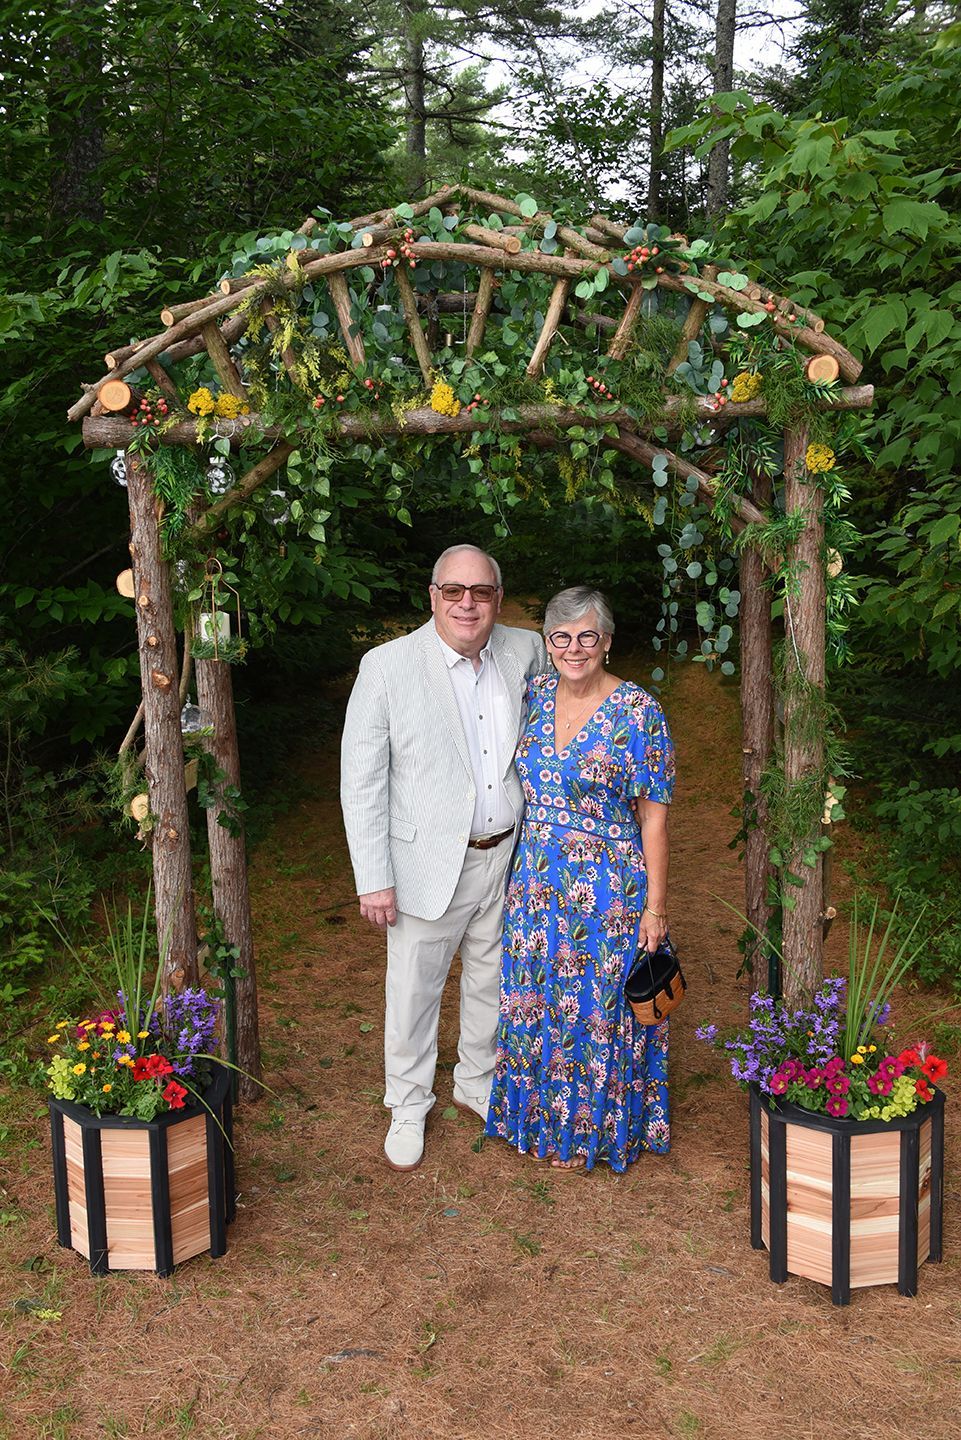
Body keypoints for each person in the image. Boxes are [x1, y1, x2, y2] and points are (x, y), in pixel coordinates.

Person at [340, 545, 547, 1171]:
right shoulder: (385, 667)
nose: (467, 603)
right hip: (426, 863)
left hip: (506, 856)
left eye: (480, 592)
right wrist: (374, 878)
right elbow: (362, 780)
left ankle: (477, 1081)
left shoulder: (525, 651)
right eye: (454, 590)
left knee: (491, 977)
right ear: (432, 596)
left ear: (498, 599)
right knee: (414, 990)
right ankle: (407, 1103)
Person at [485, 586, 675, 1172]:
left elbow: (655, 818)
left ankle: (590, 1130)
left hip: (608, 892)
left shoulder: (639, 712)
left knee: (596, 1008)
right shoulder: (534, 696)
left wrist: (656, 907)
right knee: (537, 1000)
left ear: (607, 643)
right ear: (548, 643)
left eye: (587, 637)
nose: (574, 648)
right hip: (538, 884)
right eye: (561, 638)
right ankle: (537, 1122)